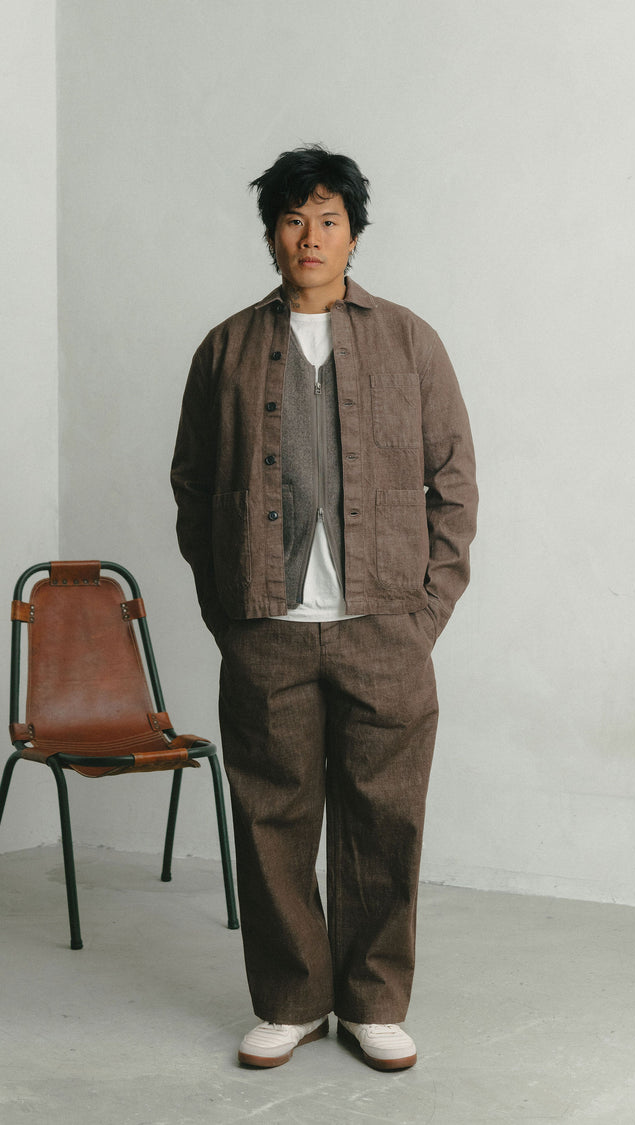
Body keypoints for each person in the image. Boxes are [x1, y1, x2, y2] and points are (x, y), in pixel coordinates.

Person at [171, 144, 478, 1071]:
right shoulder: (224, 349)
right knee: (271, 819)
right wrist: (229, 611)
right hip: (267, 628)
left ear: (353, 235)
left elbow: (454, 481)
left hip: (386, 627)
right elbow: (193, 487)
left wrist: (426, 610)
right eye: (294, 218)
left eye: (329, 219)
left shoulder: (410, 341)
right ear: (272, 234)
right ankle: (291, 1000)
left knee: (387, 818)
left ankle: (375, 1001)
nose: (311, 236)